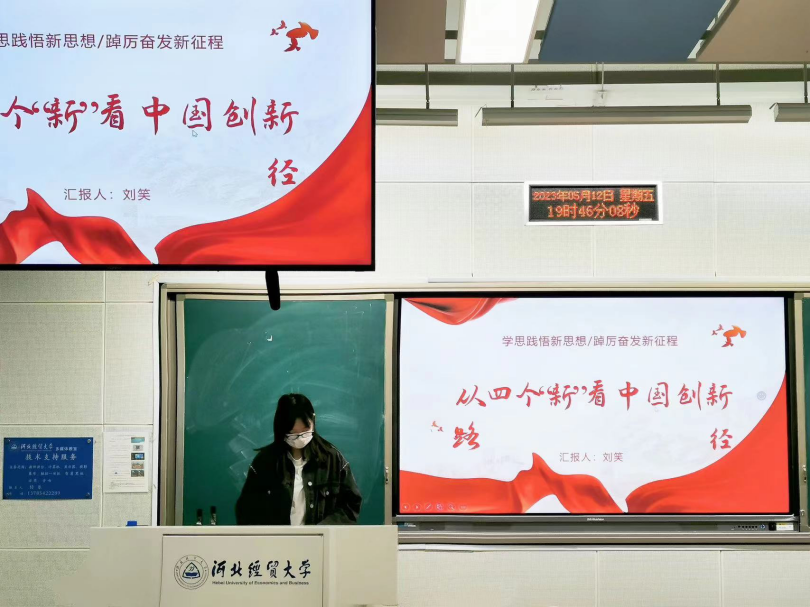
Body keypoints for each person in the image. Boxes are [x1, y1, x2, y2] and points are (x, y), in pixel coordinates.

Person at [236, 393, 362, 525]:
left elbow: (351, 505)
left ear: (313, 421)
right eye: (293, 433)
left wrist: (323, 529)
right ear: (282, 429)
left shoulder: (333, 459)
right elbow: (246, 510)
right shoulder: (265, 462)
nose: (300, 437)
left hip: (320, 537)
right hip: (277, 538)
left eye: (305, 430)